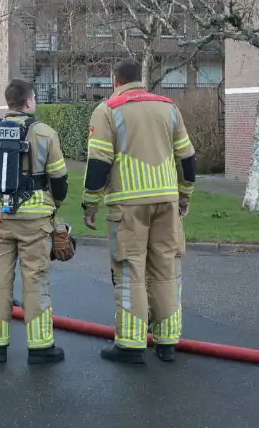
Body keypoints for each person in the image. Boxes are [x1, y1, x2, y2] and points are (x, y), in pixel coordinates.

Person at [82, 58, 196, 365]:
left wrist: (90, 203)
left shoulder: (108, 109)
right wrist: (185, 195)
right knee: (166, 269)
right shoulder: (168, 107)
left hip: (128, 206)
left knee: (131, 270)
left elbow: (98, 163)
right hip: (167, 202)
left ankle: (131, 345)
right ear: (141, 80)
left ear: (115, 80)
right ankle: (167, 341)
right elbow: (187, 158)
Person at [0, 78, 69, 364]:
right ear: (29, 101)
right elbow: (59, 179)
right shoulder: (44, 133)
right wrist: (54, 206)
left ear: (9, 102)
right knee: (36, 280)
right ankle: (40, 347)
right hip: (35, 221)